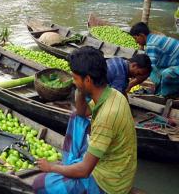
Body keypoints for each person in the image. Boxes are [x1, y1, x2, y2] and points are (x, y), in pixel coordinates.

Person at [33, 46, 137, 194]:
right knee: (76, 117)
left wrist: (51, 167)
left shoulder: (107, 116)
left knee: (40, 184)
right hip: (116, 168)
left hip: (110, 184)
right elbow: (82, 112)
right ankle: (69, 163)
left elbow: (84, 171)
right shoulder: (112, 94)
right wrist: (80, 89)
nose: (73, 82)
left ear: (88, 79)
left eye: (75, 78)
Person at [129, 22, 179, 97]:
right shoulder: (153, 38)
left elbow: (148, 70)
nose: (136, 42)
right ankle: (161, 89)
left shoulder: (152, 45)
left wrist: (131, 84)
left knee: (165, 73)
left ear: (142, 35)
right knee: (156, 71)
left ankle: (166, 95)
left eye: (136, 38)